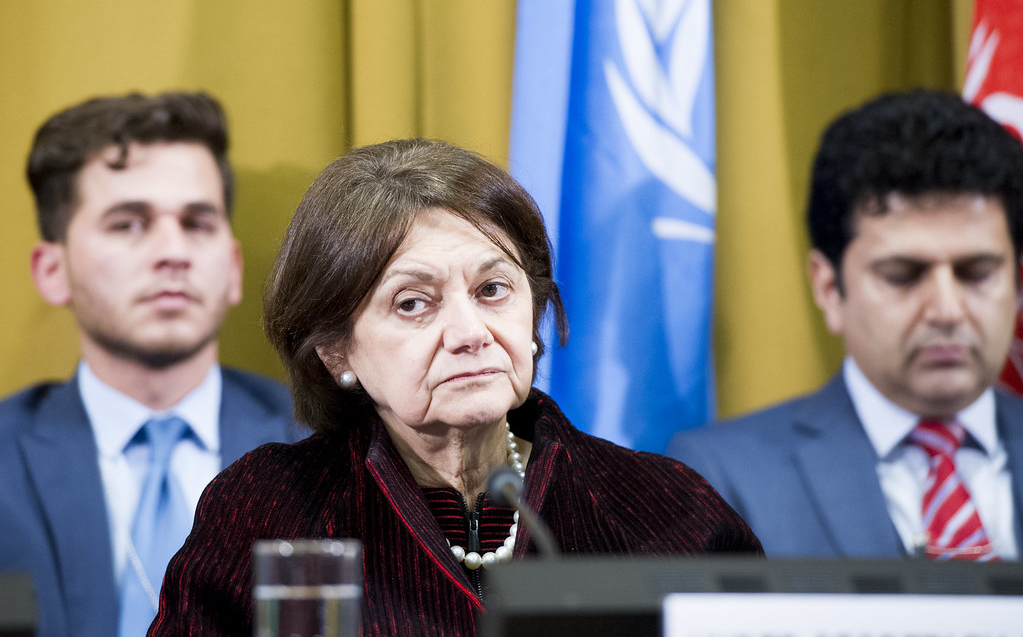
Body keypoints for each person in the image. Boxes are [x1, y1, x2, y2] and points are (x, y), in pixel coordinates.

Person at [150, 137, 763, 635]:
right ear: (337, 351)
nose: (470, 333)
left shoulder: (665, 511)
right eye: (413, 303)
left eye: (492, 290)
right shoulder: (271, 511)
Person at [0, 91, 306, 637]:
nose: (173, 252)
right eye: (128, 224)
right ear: (52, 270)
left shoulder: (326, 448)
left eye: (198, 223)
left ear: (233, 268)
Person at [668, 89, 1023, 560]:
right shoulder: (719, 480)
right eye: (902, 275)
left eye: (977, 273)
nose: (946, 310)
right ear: (828, 288)